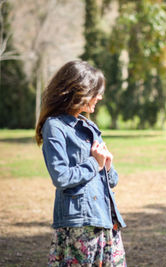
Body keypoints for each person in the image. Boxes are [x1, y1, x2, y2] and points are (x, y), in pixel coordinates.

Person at [35, 60, 127, 266]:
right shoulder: (55, 126)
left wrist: (108, 165)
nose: (100, 97)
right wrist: (95, 163)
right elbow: (61, 176)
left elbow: (112, 181)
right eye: (96, 92)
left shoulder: (89, 126)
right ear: (79, 91)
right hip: (79, 223)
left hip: (105, 219)